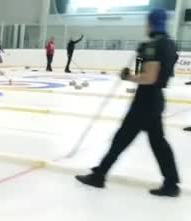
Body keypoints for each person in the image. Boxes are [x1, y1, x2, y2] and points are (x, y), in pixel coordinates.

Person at [75, 8, 181, 197]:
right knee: (158, 143)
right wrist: (139, 62)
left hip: (145, 101)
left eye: (147, 22)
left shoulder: (153, 45)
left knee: (121, 139)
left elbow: (148, 77)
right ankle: (172, 183)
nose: (145, 25)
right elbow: (151, 71)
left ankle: (99, 175)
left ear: (152, 22)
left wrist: (128, 77)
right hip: (156, 99)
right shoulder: (169, 44)